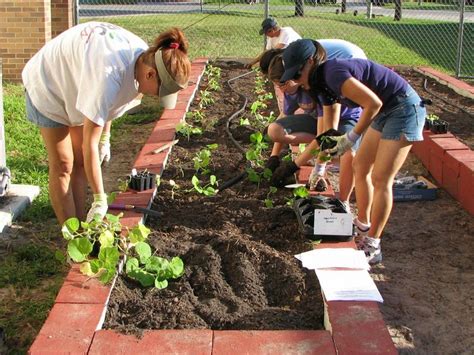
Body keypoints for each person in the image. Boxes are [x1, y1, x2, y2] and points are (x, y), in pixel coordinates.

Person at [272, 39, 426, 264]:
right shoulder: (319, 86)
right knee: (360, 166)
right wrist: (320, 167)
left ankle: (373, 244)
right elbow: (330, 131)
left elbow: (373, 104)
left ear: (310, 62)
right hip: (385, 110)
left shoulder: (333, 73)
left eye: (298, 74)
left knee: (381, 177)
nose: (297, 80)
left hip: (402, 108)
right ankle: (362, 224)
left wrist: (351, 137)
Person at [22, 22, 191, 224]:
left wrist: (105, 137)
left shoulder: (144, 58)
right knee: (64, 164)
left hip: (77, 84)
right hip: (49, 82)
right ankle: (71, 237)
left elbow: (109, 105)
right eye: (159, 91)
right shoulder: (108, 75)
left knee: (80, 162)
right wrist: (100, 198)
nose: (156, 97)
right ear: (150, 74)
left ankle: (80, 228)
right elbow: (90, 143)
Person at [264, 39, 366, 204]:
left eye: (284, 82)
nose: (282, 88)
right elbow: (286, 116)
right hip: (324, 124)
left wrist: (310, 168)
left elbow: (325, 134)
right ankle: (320, 153)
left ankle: (343, 201)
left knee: (349, 154)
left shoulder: (320, 85)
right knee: (276, 130)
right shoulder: (296, 89)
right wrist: (274, 156)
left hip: (347, 118)